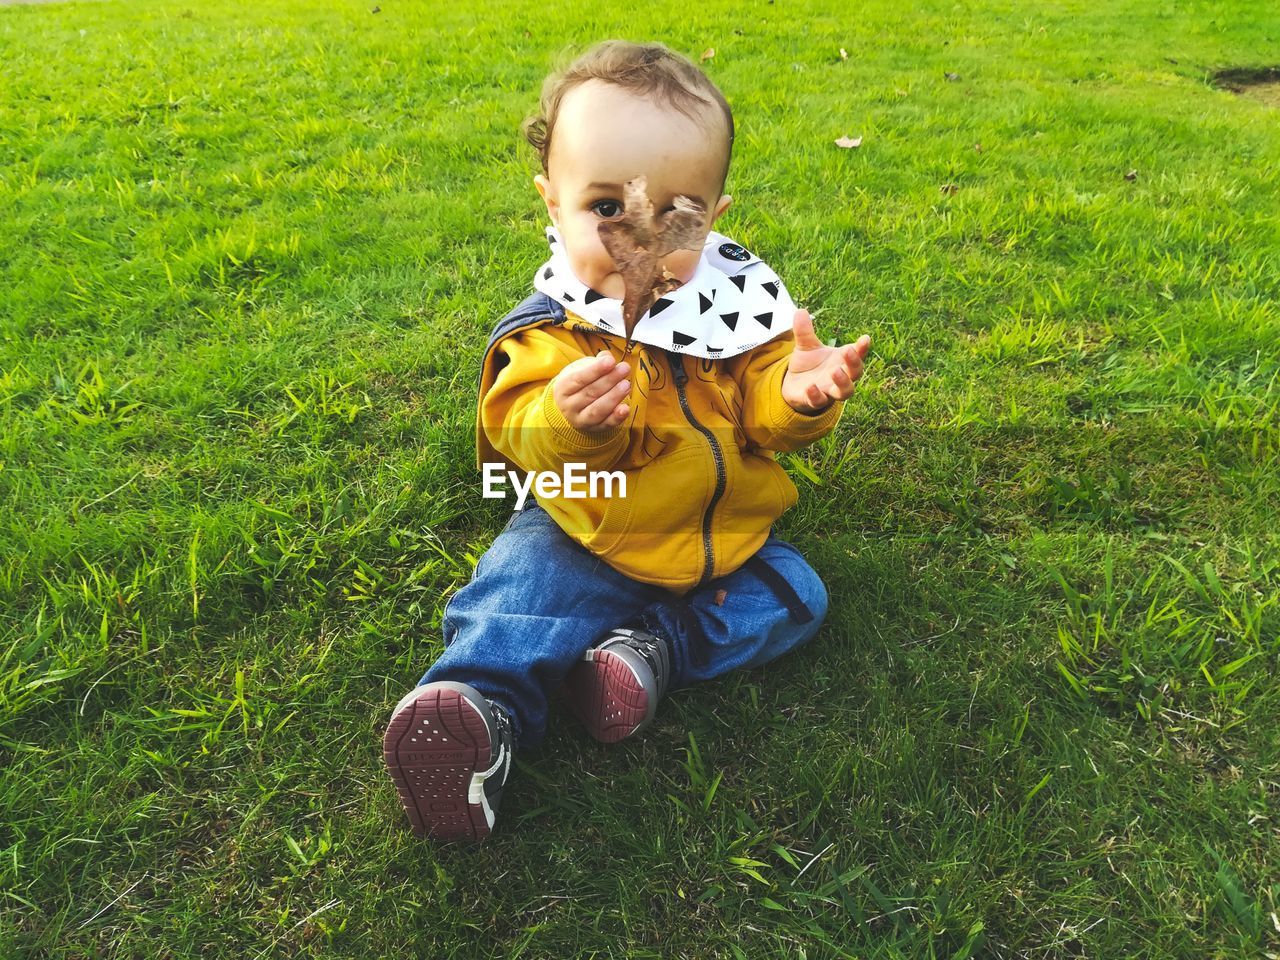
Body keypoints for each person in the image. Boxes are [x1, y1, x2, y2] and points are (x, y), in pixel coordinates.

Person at [383, 39, 872, 841]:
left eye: (675, 216)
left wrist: (798, 395)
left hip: (724, 541)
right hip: (589, 523)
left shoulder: (734, 311)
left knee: (798, 596)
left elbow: (763, 418)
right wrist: (567, 423)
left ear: (713, 218)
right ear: (553, 201)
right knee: (523, 593)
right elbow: (517, 429)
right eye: (607, 208)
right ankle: (475, 712)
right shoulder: (556, 330)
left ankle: (648, 652)